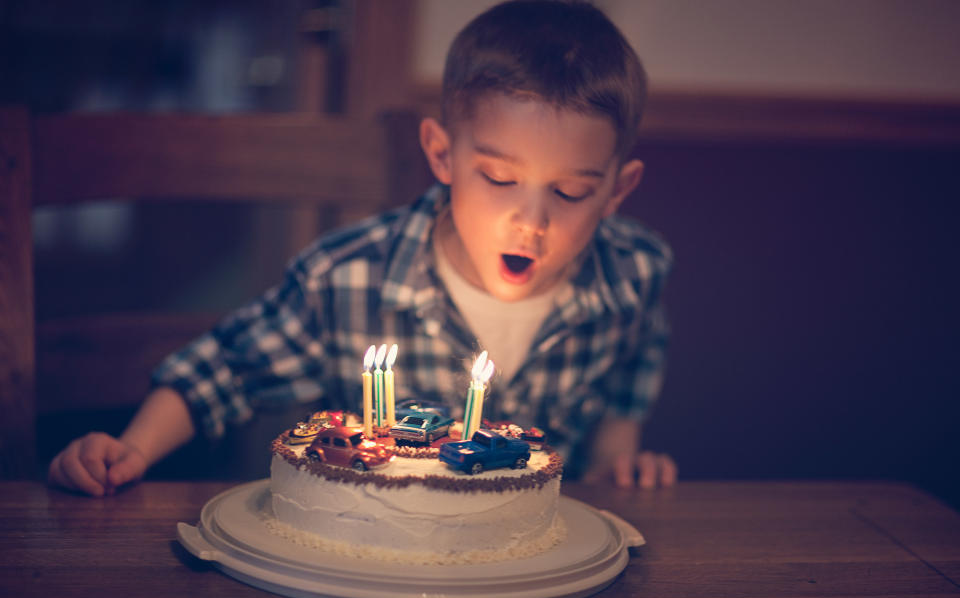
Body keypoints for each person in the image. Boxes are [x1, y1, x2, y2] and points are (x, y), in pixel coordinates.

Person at [48, 0, 677, 497]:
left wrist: (619, 467)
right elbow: (222, 370)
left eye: (569, 191)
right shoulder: (347, 278)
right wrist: (132, 448)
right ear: (441, 154)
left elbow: (623, 393)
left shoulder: (633, 274)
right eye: (500, 179)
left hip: (538, 572)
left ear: (616, 191)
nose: (531, 222)